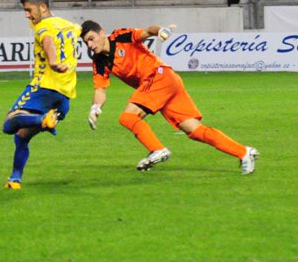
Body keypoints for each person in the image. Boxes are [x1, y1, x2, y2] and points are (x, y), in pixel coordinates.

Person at [80, 20, 258, 175]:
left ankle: (157, 149)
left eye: (91, 38)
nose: (89, 45)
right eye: (86, 42)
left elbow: (149, 31)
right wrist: (95, 108)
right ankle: (244, 152)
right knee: (194, 130)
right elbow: (100, 90)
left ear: (102, 33)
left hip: (158, 76)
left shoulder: (120, 36)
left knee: (128, 117)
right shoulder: (100, 62)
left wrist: (161, 31)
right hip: (165, 83)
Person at [1, 0, 81, 190]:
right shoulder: (70, 26)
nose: (27, 15)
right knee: (22, 136)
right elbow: (83, 28)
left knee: (9, 124)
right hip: (64, 98)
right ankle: (15, 180)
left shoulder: (42, 26)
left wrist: (53, 61)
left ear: (43, 7)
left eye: (29, 10)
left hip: (43, 88)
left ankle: (42, 119)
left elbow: (47, 40)